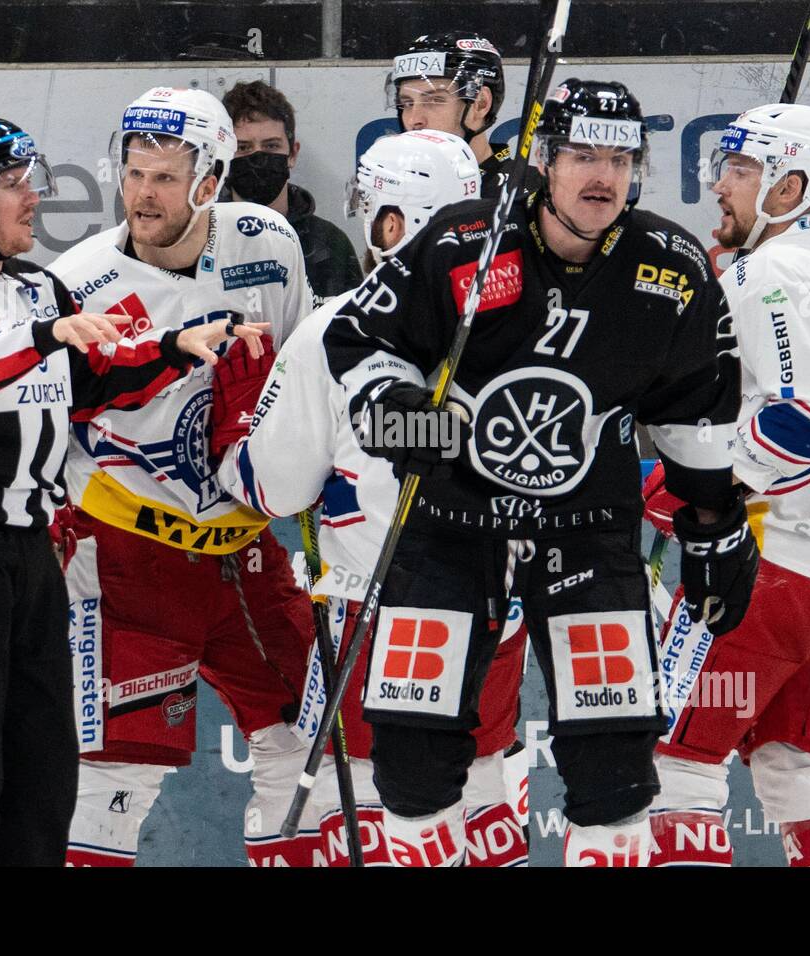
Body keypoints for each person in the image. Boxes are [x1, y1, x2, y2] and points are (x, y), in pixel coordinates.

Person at [321, 79, 759, 867]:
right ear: (543, 160)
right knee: (412, 764)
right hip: (452, 528)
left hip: (587, 533)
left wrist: (712, 523)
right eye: (585, 154)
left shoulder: (673, 269)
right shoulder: (464, 241)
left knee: (615, 767)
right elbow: (358, 337)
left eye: (622, 158)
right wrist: (395, 411)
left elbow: (697, 410)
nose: (605, 176)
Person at [0, 117, 265, 866]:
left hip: (31, 559)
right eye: (16, 185)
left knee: (43, 792)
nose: (35, 199)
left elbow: (89, 381)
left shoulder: (38, 288)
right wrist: (42, 339)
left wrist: (175, 348)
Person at [215, 130, 529, 866]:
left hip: (380, 612)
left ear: (392, 223)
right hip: (498, 608)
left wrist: (237, 426)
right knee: (482, 798)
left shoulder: (339, 327)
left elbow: (272, 487)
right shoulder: (528, 323)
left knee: (375, 814)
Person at [47, 87, 322, 868]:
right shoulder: (80, 283)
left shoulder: (269, 242)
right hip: (127, 556)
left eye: (165, 178)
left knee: (310, 748)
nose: (143, 194)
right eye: (134, 174)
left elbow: (302, 384)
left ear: (211, 180)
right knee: (112, 781)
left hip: (244, 553)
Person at [643, 103, 810, 867]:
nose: (721, 185)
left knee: (673, 767)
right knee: (802, 775)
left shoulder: (772, 271)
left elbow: (808, 420)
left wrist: (703, 487)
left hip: (763, 577)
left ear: (790, 190)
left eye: (743, 171)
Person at [223, 80, 363, 306]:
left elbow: (352, 331)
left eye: (271, 146)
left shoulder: (329, 244)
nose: (258, 158)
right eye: (243, 147)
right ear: (222, 155)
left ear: (292, 154)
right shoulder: (203, 238)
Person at [389, 31, 535, 197]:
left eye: (435, 100)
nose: (414, 119)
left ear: (481, 104)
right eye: (407, 103)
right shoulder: (392, 189)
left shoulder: (536, 195)